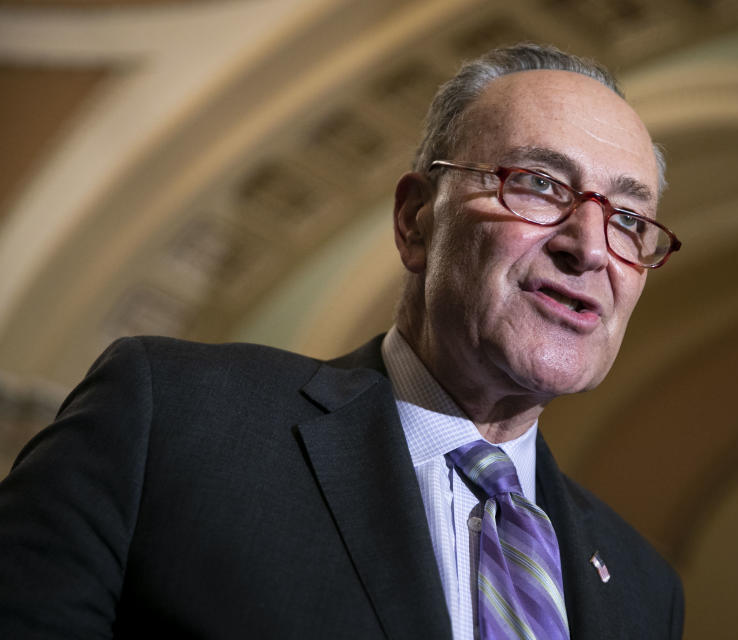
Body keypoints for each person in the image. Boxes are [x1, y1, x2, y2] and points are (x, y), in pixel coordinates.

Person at [0, 43, 683, 639]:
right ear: (416, 221)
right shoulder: (171, 421)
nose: (590, 247)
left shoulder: (645, 589)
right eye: (538, 184)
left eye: (629, 218)